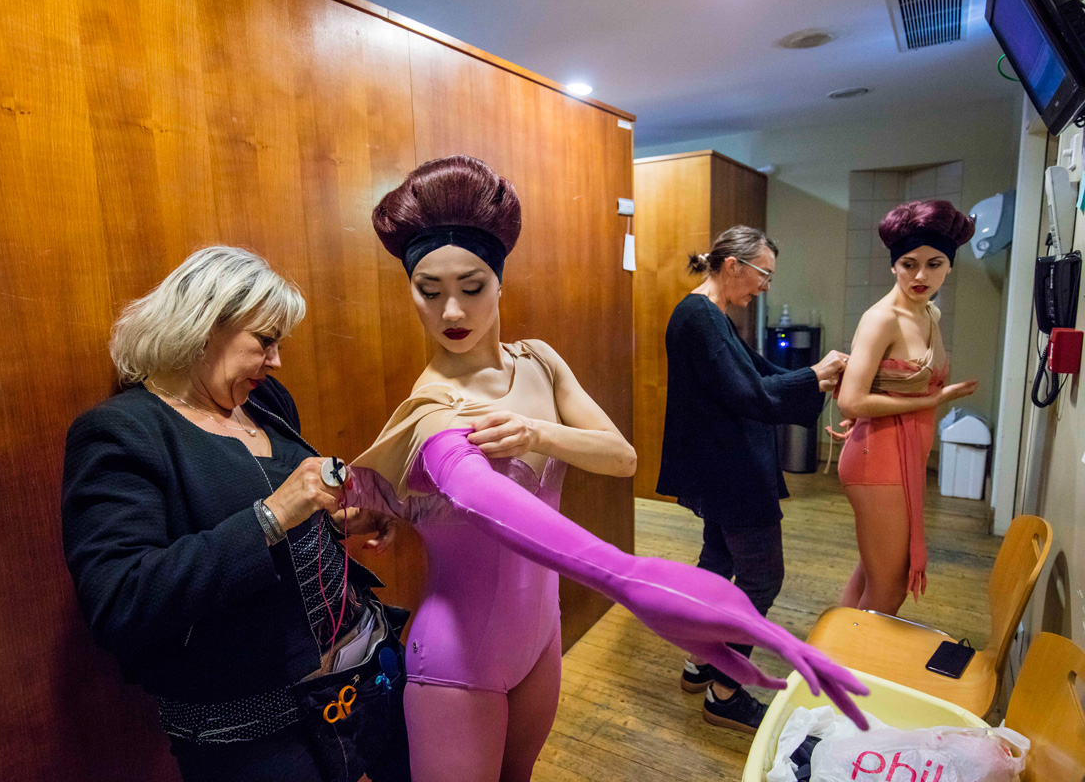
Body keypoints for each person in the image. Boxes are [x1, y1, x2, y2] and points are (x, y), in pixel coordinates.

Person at [339, 157, 868, 781]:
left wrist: (537, 431)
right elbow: (495, 505)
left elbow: (623, 457)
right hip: (459, 661)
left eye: (472, 286)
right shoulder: (434, 412)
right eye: (429, 291)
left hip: (541, 637)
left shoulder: (537, 362)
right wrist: (631, 579)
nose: (452, 311)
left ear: (500, 283)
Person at [61, 246, 408, 782]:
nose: (276, 361)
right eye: (265, 342)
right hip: (253, 736)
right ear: (203, 326)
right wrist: (271, 515)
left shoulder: (266, 401)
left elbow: (279, 533)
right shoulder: (122, 432)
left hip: (352, 680)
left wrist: (336, 523)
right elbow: (121, 601)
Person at [655, 226, 848, 734]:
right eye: (763, 273)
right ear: (733, 264)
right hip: (732, 471)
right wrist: (814, 377)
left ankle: (700, 663)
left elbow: (757, 373)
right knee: (762, 578)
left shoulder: (709, 314)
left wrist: (816, 375)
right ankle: (726, 690)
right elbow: (748, 392)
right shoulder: (699, 316)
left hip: (723, 467)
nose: (765, 286)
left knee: (717, 568)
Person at [832, 200, 978, 616]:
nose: (921, 275)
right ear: (893, 265)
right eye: (909, 264)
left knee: (872, 573)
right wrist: (935, 399)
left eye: (934, 264)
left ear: (949, 266)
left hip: (904, 453)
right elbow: (851, 399)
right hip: (876, 458)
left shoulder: (928, 311)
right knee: (890, 587)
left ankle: (832, 668)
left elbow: (886, 385)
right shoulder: (884, 318)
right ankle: (857, 676)